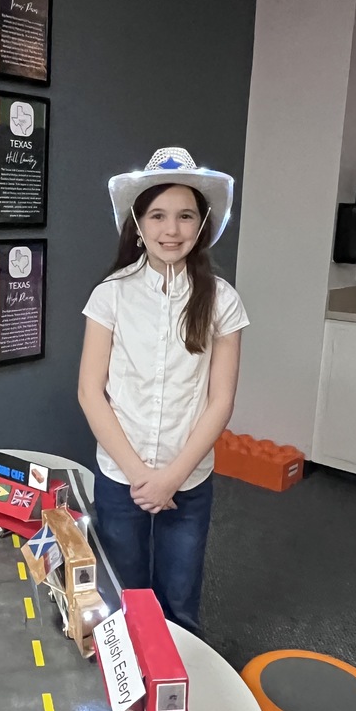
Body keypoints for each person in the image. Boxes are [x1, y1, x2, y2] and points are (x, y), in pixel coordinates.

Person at [78, 146, 249, 637]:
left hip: (187, 479)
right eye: (157, 215)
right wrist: (141, 477)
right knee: (122, 594)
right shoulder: (111, 294)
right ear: (138, 222)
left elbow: (221, 400)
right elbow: (90, 392)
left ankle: (177, 679)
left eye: (185, 216)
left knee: (179, 599)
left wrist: (171, 478)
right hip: (121, 475)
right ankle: (129, 675)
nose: (171, 230)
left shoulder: (222, 300)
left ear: (202, 223)